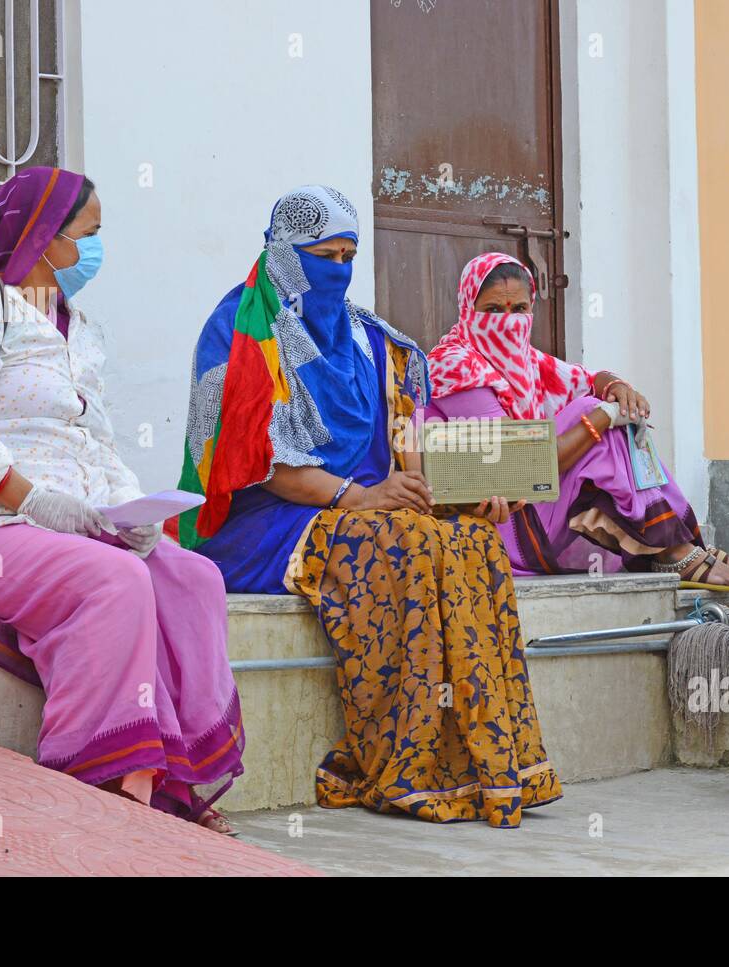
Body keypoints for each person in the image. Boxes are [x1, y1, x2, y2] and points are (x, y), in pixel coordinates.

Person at [171, 186, 561, 827]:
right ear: (285, 254)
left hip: (366, 505)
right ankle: (403, 764)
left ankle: (491, 763)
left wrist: (441, 496)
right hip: (262, 519)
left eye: (350, 255)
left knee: (468, 544)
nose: (341, 270)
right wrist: (365, 498)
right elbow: (260, 461)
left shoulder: (370, 339)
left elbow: (404, 432)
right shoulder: (243, 329)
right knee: (398, 547)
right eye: (326, 255)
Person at [0, 166, 245, 834]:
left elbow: (96, 443)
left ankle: (173, 778)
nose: (97, 249)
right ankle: (102, 778)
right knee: (113, 580)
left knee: (191, 575)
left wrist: (132, 512)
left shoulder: (81, 329)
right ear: (44, 236)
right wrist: (33, 500)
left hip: (68, 528)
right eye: (89, 234)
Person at [425, 252, 729, 586]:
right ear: (468, 309)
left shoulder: (528, 363)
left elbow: (590, 379)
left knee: (604, 417)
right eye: (493, 310)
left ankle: (676, 546)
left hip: (534, 510)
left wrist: (618, 389)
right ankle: (673, 550)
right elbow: (522, 464)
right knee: (592, 418)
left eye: (519, 309)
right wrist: (605, 415)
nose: (509, 322)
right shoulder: (455, 365)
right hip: (500, 524)